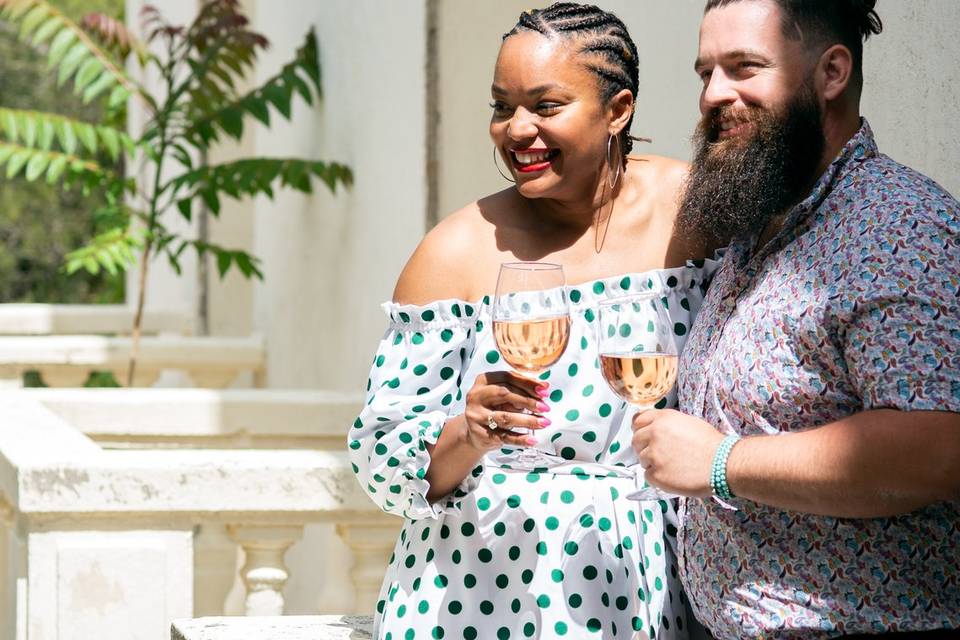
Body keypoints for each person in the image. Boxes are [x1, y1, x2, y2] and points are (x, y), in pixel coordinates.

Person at [349, 3, 719, 638]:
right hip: (481, 590)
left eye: (545, 106)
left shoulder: (696, 215)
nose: (516, 129)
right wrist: (468, 433)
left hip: (647, 579)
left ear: (618, 110)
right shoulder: (456, 252)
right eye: (502, 107)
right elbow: (381, 463)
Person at [630, 0, 960, 638]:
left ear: (832, 72)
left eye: (744, 68)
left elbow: (938, 446)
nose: (714, 94)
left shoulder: (898, 227)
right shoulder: (760, 223)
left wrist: (723, 461)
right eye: (705, 73)